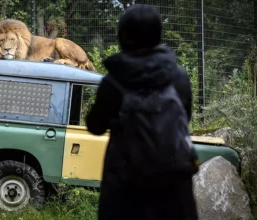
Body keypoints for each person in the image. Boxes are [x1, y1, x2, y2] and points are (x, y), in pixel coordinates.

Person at [85, 4, 198, 220]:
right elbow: (185, 117)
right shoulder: (179, 78)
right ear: (158, 35)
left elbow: (95, 126)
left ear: (123, 37)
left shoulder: (114, 81)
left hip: (126, 187)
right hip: (174, 187)